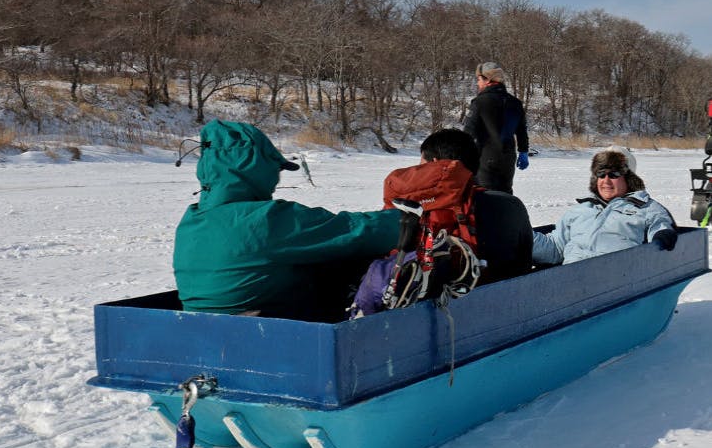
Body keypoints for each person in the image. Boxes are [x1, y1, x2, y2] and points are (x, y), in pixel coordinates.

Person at [173, 120, 401, 320]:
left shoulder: (191, 221)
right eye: (275, 169)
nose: (276, 181)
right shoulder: (264, 219)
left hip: (206, 333)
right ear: (255, 168)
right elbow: (353, 231)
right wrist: (405, 221)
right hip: (270, 335)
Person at [350, 128, 535, 315]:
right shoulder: (511, 204)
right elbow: (524, 262)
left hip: (447, 314)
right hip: (507, 307)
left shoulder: (414, 210)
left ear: (435, 166)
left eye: (421, 162)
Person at [532, 146, 678, 266]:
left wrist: (662, 235)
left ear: (629, 178)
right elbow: (555, 248)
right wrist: (522, 238)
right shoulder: (581, 210)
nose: (606, 181)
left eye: (614, 174)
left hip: (614, 282)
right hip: (569, 280)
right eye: (601, 174)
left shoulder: (646, 208)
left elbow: (660, 226)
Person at [462, 61, 530, 193]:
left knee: (484, 197)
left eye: (479, 79)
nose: (478, 83)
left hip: (485, 158)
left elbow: (468, 133)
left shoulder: (480, 102)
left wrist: (462, 157)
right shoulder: (515, 103)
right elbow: (521, 131)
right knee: (505, 195)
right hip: (508, 158)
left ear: (488, 80)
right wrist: (523, 152)